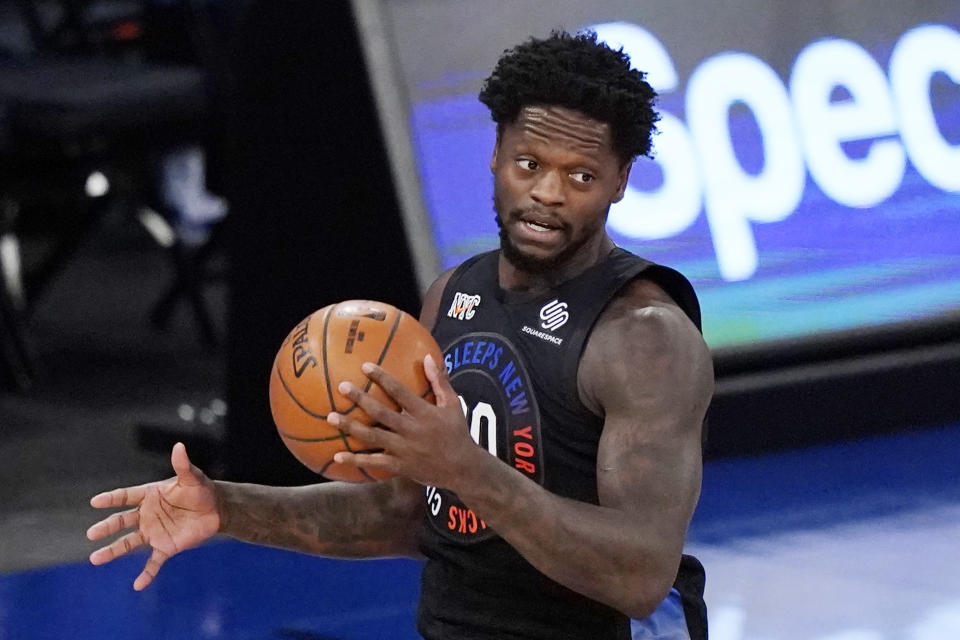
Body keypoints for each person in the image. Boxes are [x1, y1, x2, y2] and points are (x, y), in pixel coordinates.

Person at [87, 30, 714, 640]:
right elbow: (405, 513)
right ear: (496, 152)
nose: (548, 193)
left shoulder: (645, 338)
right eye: (530, 164)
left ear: (621, 181)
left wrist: (466, 469)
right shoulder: (452, 295)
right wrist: (227, 507)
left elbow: (640, 576)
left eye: (582, 176)